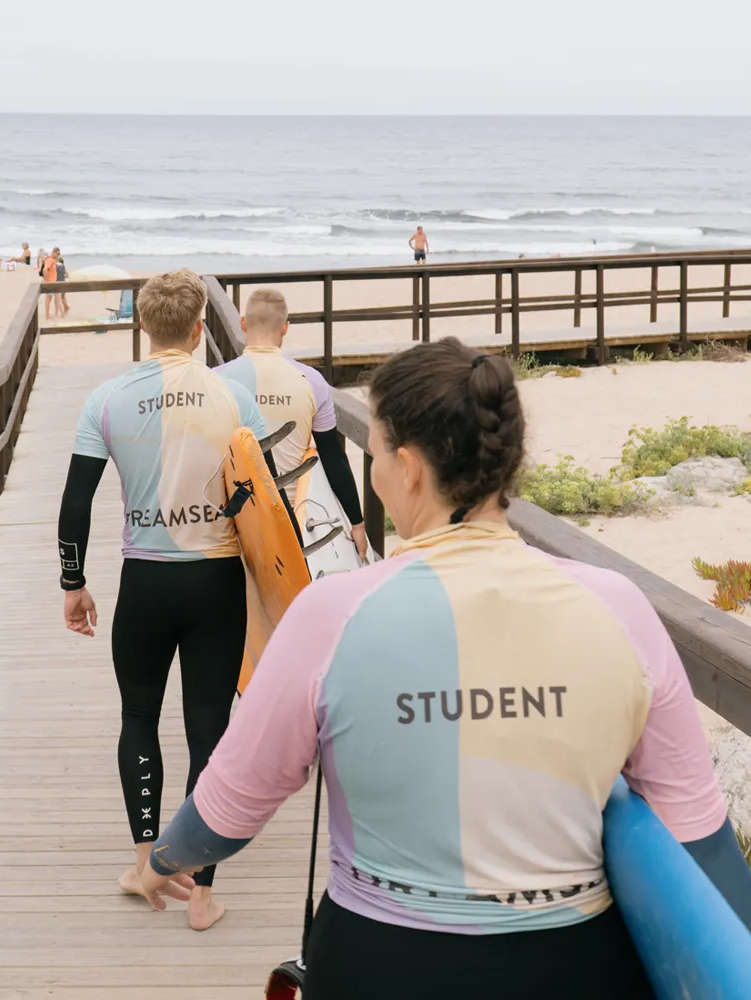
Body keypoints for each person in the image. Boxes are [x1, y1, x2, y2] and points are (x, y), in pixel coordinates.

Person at [135, 336, 751, 993]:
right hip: (576, 964)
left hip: (381, 962)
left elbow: (228, 812)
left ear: (409, 469)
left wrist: (164, 859)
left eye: (373, 454)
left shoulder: (332, 614)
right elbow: (702, 838)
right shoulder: (619, 608)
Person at [58, 268, 287, 933]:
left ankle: (143, 863)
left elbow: (75, 504)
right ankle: (202, 888)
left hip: (145, 584)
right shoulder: (232, 395)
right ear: (196, 329)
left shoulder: (106, 398)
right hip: (216, 581)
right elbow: (265, 499)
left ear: (142, 325)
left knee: (138, 717)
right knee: (210, 726)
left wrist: (73, 583)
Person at [217, 288, 366, 560]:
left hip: (231, 523)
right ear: (285, 328)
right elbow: (333, 457)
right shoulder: (311, 381)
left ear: (243, 323)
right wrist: (356, 522)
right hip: (293, 523)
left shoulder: (217, 380)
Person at [41, 249, 62, 320]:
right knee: (48, 299)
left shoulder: (51, 260)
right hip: (50, 282)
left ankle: (48, 314)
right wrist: (47, 280)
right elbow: (45, 270)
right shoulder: (50, 260)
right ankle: (47, 315)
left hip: (51, 282)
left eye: (59, 254)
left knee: (48, 299)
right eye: (57, 253)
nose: (58, 255)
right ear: (53, 252)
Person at [55, 250, 70, 315]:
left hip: (59, 283)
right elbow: (67, 275)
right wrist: (63, 276)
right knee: (63, 297)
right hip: (64, 282)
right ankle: (65, 309)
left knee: (60, 298)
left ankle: (66, 307)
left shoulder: (57, 266)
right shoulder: (63, 267)